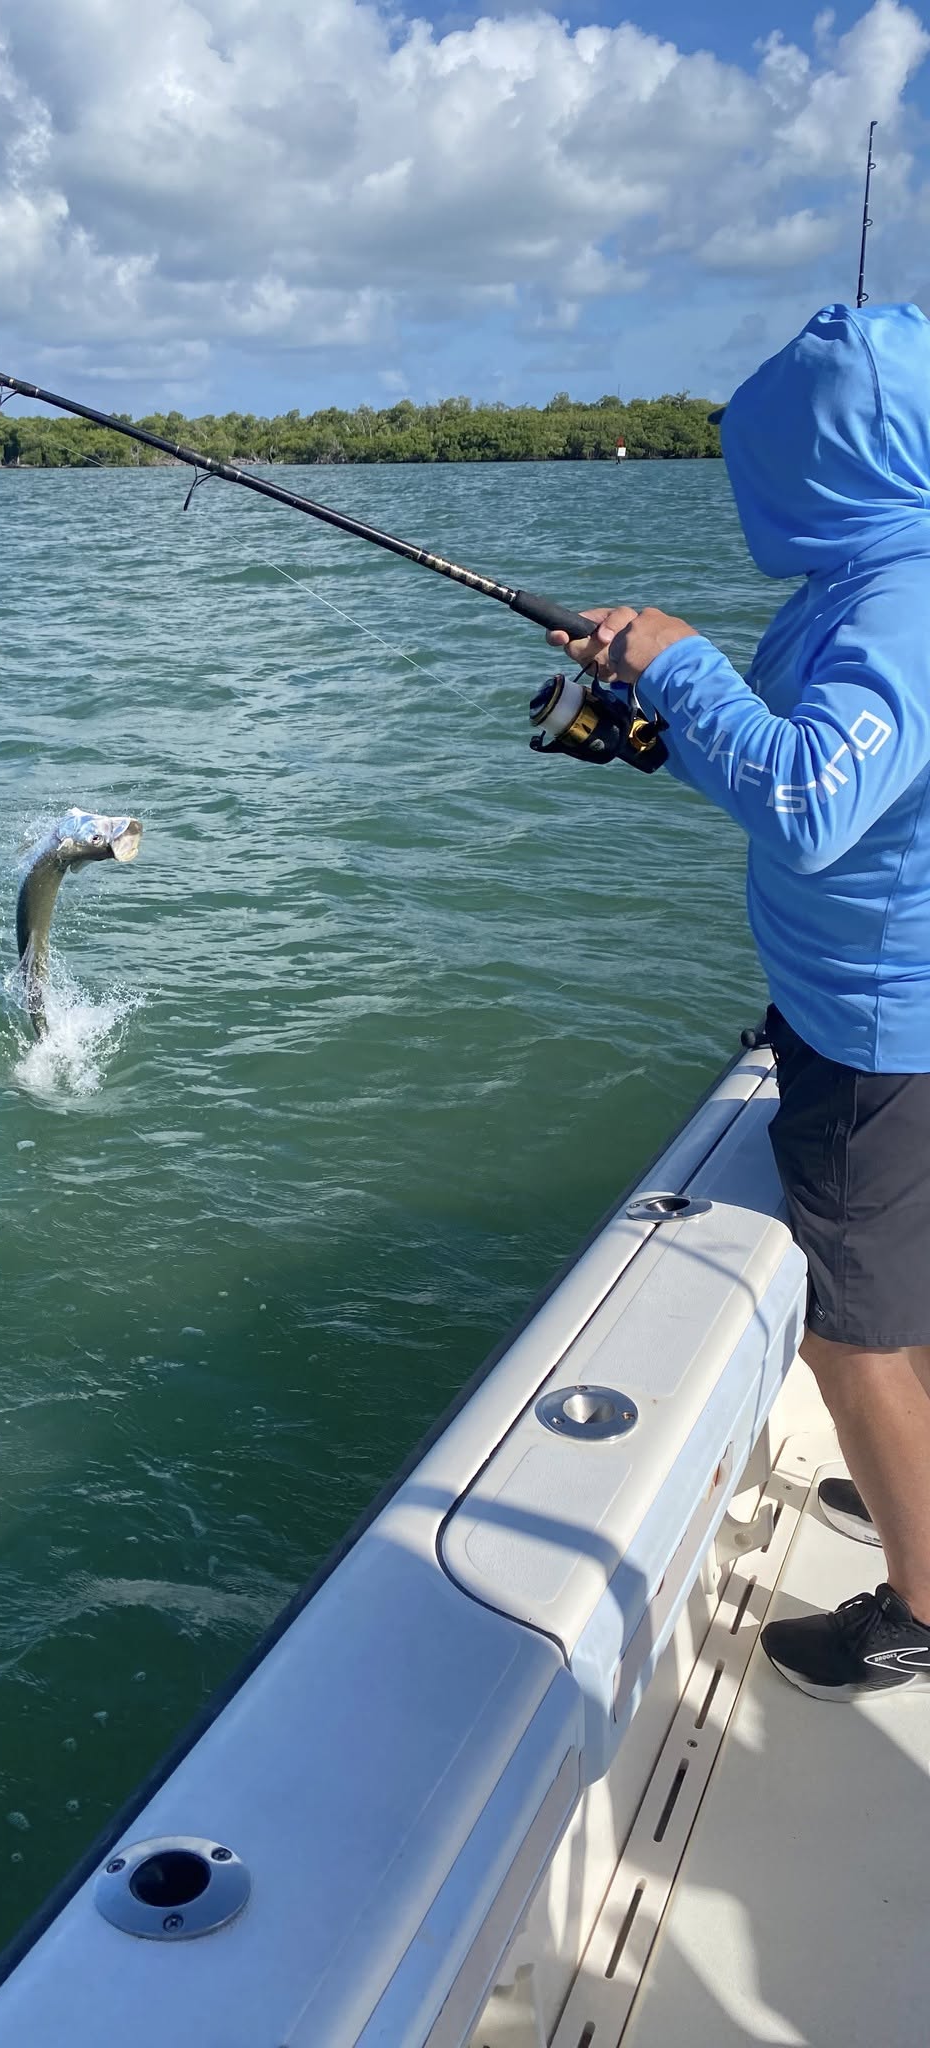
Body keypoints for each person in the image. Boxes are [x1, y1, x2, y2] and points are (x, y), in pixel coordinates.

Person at [549, 302, 930, 1702]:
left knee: (850, 1327)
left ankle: (921, 1603)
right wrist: (662, 721)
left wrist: (684, 665)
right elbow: (793, 766)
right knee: (911, 1292)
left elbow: (814, 802)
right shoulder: (874, 571)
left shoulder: (904, 599)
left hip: (885, 1030)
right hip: (878, 1008)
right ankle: (923, 1493)